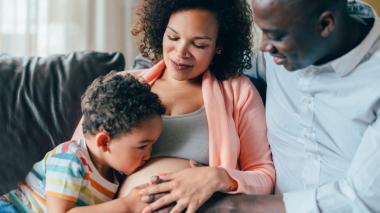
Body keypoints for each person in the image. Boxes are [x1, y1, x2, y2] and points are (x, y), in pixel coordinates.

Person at [73, 0, 275, 212]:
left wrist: (217, 177)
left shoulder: (237, 91)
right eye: (173, 37)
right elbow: (74, 157)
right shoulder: (122, 86)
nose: (181, 52)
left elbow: (264, 176)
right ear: (160, 31)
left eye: (199, 44)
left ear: (219, 46)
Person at [203, 0, 380, 212]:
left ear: (325, 24)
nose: (263, 47)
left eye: (276, 36)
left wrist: (232, 206)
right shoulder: (283, 50)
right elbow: (224, 58)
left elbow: (361, 199)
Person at [0, 72, 165, 213]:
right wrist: (127, 205)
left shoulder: (113, 175)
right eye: (142, 146)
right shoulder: (69, 159)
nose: (148, 155)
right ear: (104, 142)